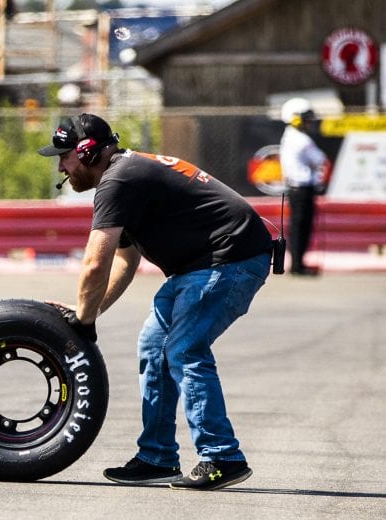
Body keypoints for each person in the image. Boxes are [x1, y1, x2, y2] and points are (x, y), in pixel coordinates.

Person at [38, 114, 274, 491]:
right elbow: (123, 261)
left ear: (85, 152)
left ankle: (221, 457)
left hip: (230, 259)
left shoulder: (118, 180)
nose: (61, 166)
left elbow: (95, 261)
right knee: (155, 345)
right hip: (199, 266)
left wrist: (82, 321)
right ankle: (157, 457)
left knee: (184, 348)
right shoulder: (125, 175)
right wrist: (92, 313)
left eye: (64, 157)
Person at [279, 97, 328, 276]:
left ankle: (297, 264)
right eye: (306, 118)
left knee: (297, 227)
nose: (309, 122)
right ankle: (298, 266)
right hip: (303, 190)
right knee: (302, 228)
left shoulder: (288, 136)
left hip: (295, 189)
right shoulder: (301, 140)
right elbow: (320, 160)